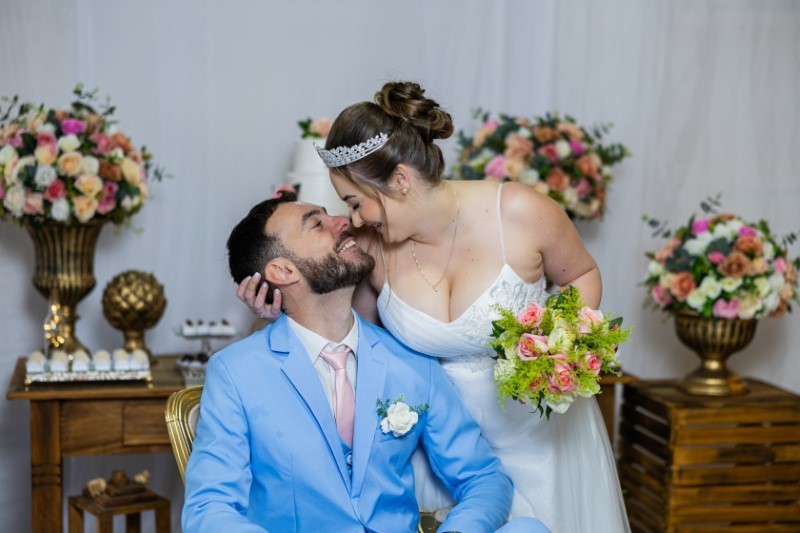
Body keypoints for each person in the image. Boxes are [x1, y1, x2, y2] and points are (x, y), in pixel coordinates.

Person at [240, 82, 630, 532]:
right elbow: (351, 338)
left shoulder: (521, 211)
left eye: (356, 202)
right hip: (444, 450)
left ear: (400, 180)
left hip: (540, 435)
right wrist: (276, 313)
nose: (355, 219)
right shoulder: (372, 245)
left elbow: (581, 274)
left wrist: (560, 349)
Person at [184, 192, 548, 532]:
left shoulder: (411, 360)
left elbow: (484, 478)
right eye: (317, 224)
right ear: (283, 271)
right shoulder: (236, 373)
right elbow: (209, 508)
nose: (342, 221)